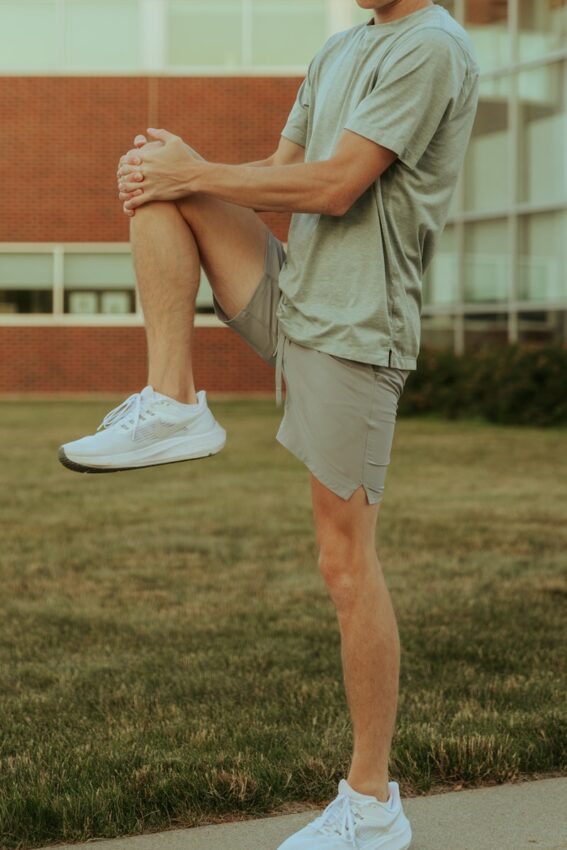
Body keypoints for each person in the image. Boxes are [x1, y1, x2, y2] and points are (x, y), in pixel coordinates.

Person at [59, 0, 479, 846]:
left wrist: (197, 171)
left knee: (344, 561)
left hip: (357, 326)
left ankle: (371, 806)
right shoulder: (338, 50)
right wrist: (183, 170)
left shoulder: (430, 47)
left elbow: (333, 185)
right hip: (296, 294)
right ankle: (174, 401)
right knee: (155, 185)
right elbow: (277, 167)